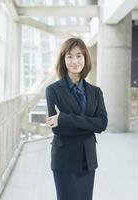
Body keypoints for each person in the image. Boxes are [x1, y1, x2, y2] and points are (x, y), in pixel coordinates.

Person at [45, 37, 108, 200]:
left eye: (79, 56)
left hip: (88, 159)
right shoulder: (53, 90)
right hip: (64, 159)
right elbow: (57, 128)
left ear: (85, 58)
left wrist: (64, 118)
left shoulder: (96, 92)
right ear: (63, 60)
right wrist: (89, 124)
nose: (75, 61)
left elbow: (102, 124)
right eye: (70, 56)